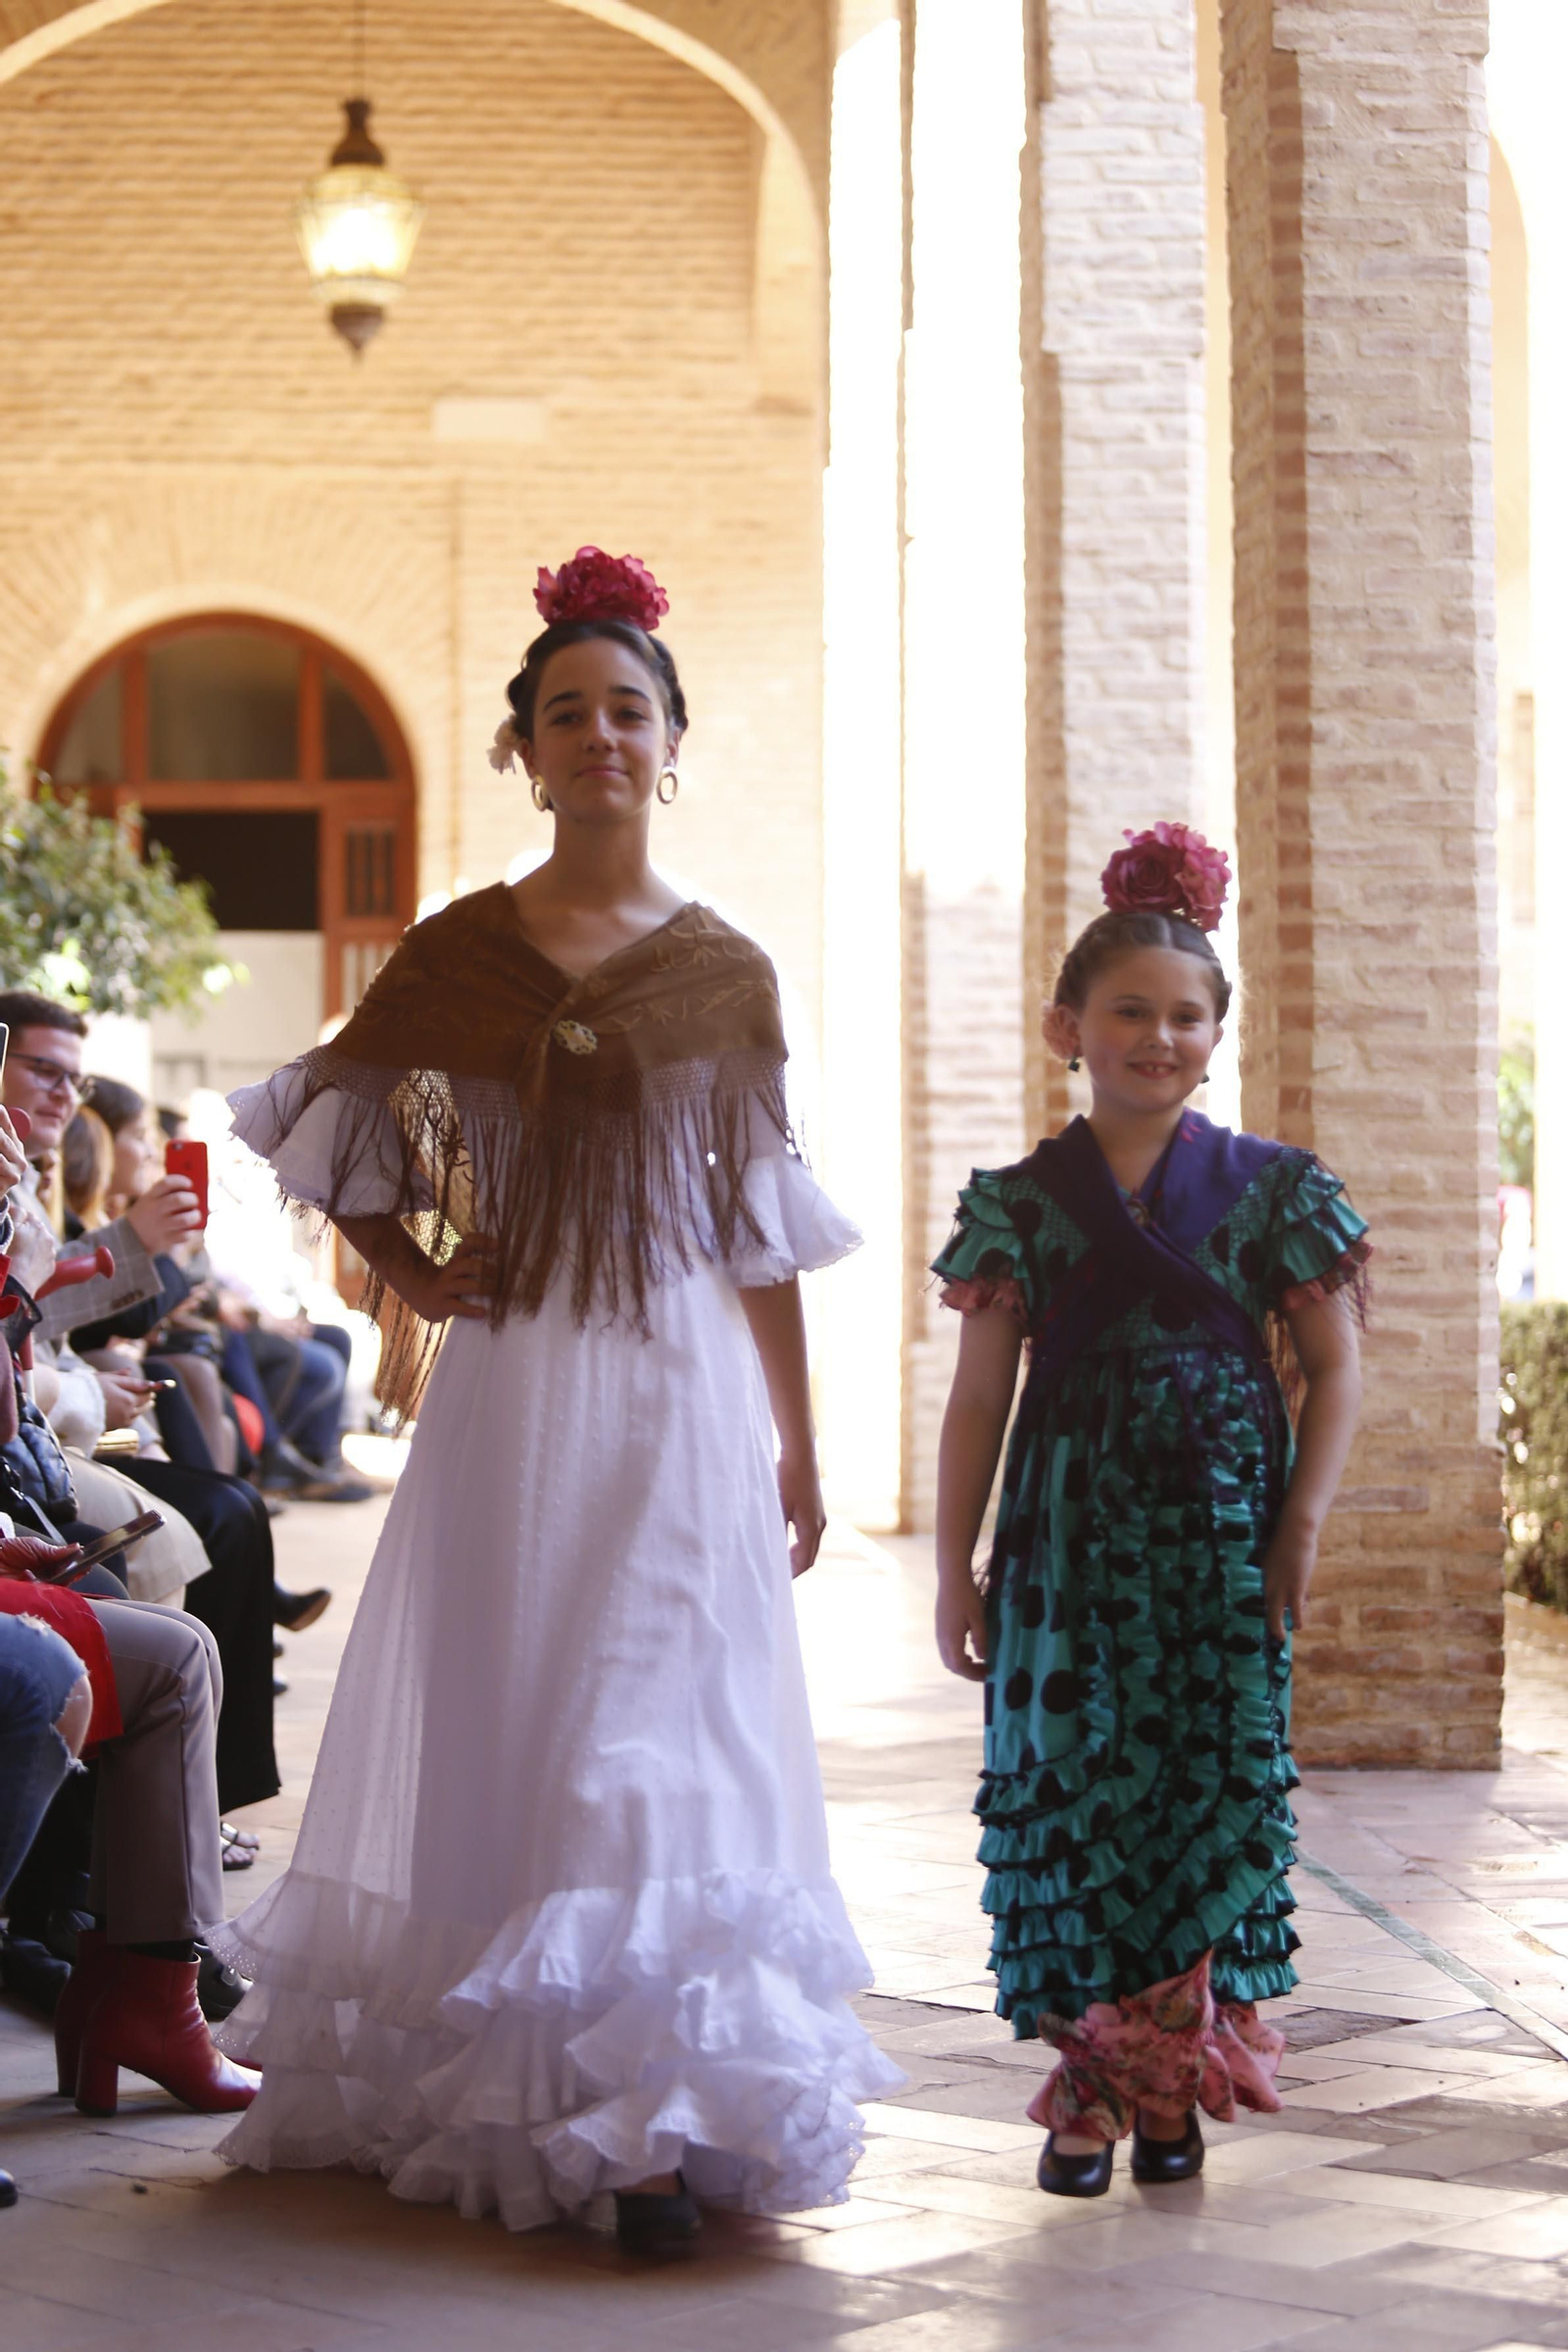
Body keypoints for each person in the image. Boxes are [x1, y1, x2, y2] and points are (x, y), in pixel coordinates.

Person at [211, 548, 901, 2256]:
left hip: (677, 1392)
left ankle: (661, 2116)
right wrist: (409, 1266)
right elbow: (322, 1119)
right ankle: (531, 2088)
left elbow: (760, 1231)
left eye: (631, 710)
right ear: (525, 749)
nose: (601, 735)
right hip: (519, 1400)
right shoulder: (458, 950)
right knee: (531, 1707)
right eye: (567, 712)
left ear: (675, 745)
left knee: (658, 1720)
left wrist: (798, 1436)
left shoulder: (728, 972)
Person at [932, 824, 1367, 2199]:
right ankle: (1118, 2085)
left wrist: (1297, 1529)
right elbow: (976, 1405)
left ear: (1216, 1035)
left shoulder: (1274, 1192)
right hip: (1064, 1553)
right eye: (1129, 1010)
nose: (1158, 1036)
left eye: (1187, 1016)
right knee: (1076, 1803)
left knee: (1200, 1796)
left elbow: (1342, 1366)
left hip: (1221, 1551)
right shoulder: (1019, 1208)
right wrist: (957, 1571)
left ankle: (1146, 2091)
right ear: (1070, 1026)